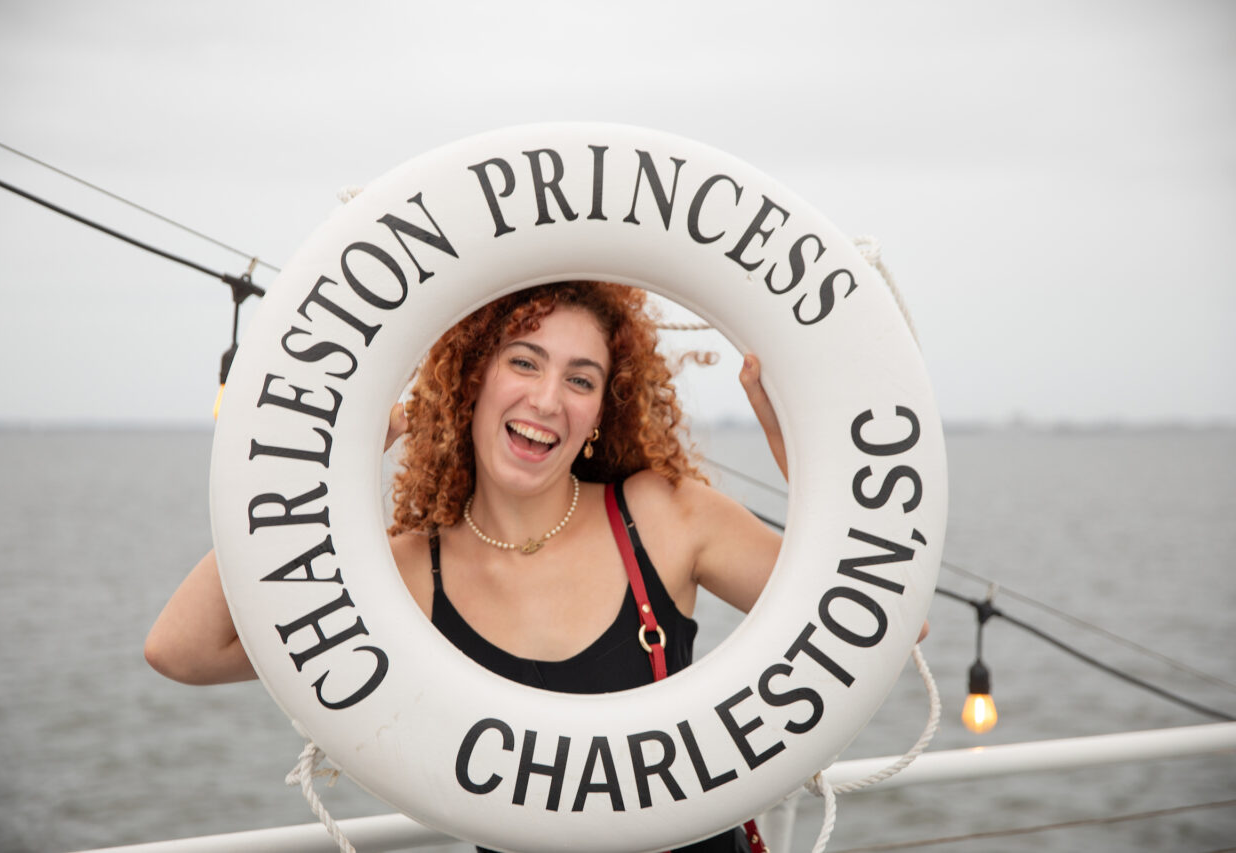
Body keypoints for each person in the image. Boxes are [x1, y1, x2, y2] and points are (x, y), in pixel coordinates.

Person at [146, 281, 915, 852]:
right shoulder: (410, 572)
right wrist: (336, 441)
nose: (549, 398)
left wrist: (811, 461)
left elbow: (885, 623)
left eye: (581, 378)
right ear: (471, 380)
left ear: (597, 416)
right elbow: (182, 649)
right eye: (524, 361)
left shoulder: (663, 515)